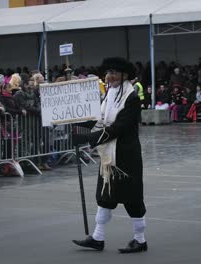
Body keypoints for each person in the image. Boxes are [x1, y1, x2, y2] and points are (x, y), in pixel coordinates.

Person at [72, 57, 147, 253]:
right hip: (109, 155)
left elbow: (118, 127)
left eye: (114, 72)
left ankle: (140, 240)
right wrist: (75, 124)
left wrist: (88, 138)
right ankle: (98, 238)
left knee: (132, 198)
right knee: (105, 196)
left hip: (126, 154)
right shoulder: (110, 94)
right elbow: (99, 118)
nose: (110, 76)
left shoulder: (132, 98)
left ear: (124, 75)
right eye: (108, 72)